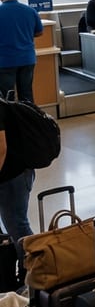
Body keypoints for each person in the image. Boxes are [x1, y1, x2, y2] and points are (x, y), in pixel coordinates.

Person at [0, 92, 34, 258]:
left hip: (13, 175)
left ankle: (38, 271)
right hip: (13, 171)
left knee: (17, 226)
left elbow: (1, 147)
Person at [0, 0, 45, 104]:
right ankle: (29, 120)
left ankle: (10, 122)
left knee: (7, 96)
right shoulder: (30, 10)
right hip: (27, 59)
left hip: (5, 60)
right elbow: (39, 32)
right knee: (26, 94)